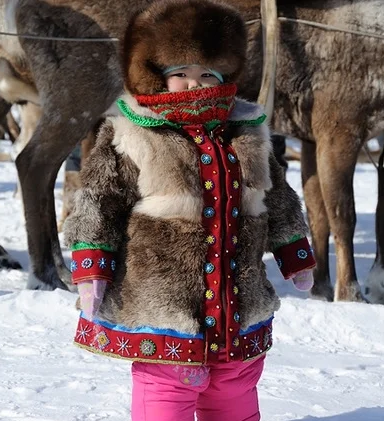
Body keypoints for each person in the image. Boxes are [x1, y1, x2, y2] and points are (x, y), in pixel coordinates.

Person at [63, 0, 316, 419]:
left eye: (207, 74)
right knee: (165, 391)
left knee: (235, 385)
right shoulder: (132, 130)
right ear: (157, 74)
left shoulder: (246, 129)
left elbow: (277, 197)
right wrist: (92, 267)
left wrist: (295, 253)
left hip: (239, 296)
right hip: (163, 300)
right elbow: (98, 201)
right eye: (180, 73)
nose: (194, 83)